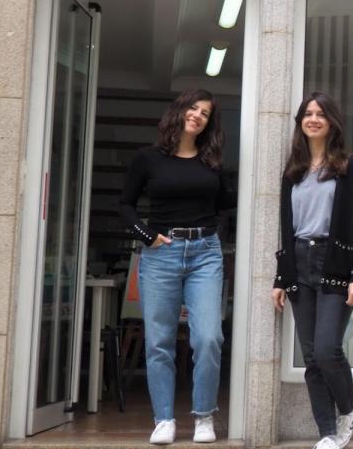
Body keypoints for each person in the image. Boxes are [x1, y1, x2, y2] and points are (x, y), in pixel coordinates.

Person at [119, 88, 234, 444]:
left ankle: (204, 416)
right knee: (159, 342)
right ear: (180, 110)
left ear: (209, 123)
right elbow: (125, 205)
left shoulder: (211, 162)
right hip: (161, 254)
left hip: (205, 252)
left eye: (205, 113)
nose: (197, 115)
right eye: (193, 108)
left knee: (209, 338)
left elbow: (226, 203)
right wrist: (146, 236)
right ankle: (164, 419)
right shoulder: (148, 158)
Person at [272, 91, 353, 449]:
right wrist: (281, 277)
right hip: (299, 262)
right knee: (312, 356)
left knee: (328, 350)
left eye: (321, 114)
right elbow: (287, 226)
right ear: (301, 121)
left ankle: (348, 408)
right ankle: (327, 432)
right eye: (308, 114)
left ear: (332, 122)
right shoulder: (293, 170)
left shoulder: (348, 166)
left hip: (334, 262)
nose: (313, 119)